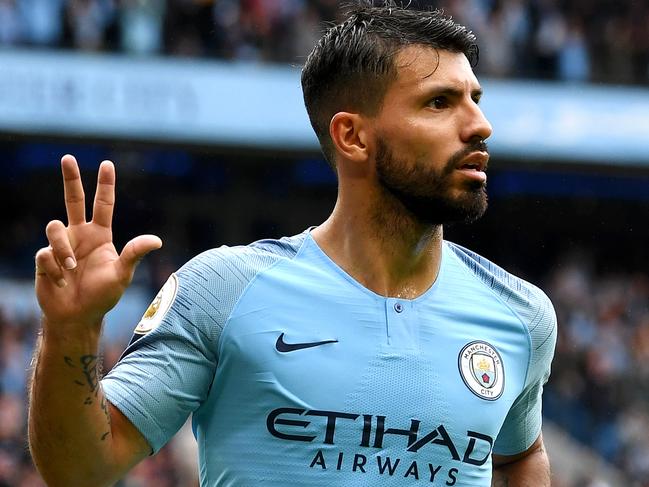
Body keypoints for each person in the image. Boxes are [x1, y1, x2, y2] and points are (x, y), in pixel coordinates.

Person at [28, 2, 557, 486]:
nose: (479, 125)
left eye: (475, 99)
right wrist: (70, 331)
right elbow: (79, 470)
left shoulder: (520, 314)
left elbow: (520, 455)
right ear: (353, 136)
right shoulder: (224, 289)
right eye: (439, 103)